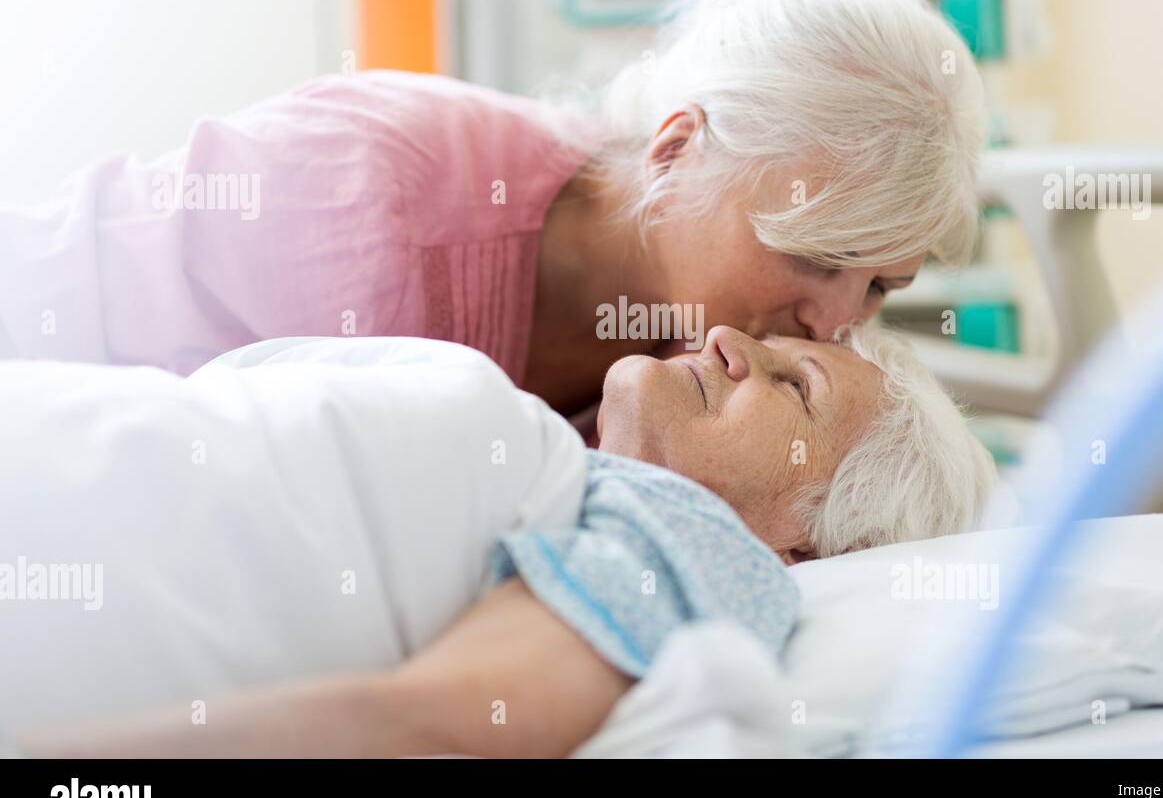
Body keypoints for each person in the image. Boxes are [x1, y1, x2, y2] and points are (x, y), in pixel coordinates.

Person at [0, 0, 984, 428]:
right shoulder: (367, 206)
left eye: (879, 286)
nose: (835, 322)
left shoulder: (701, 371)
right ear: (675, 151)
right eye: (815, 257)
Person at [3, 323, 994, 758]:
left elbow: (410, 721)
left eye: (790, 387)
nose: (734, 339)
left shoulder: (697, 541)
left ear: (800, 547)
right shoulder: (552, 462)